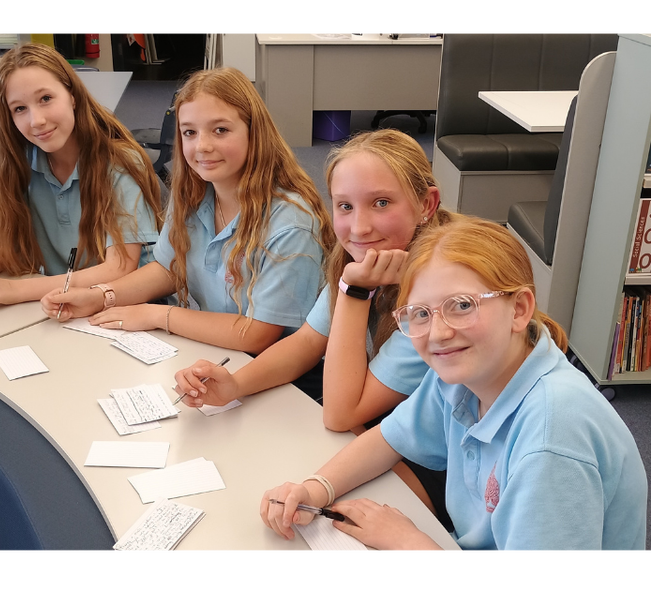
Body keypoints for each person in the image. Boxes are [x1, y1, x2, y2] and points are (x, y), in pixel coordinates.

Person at [261, 217, 648, 552]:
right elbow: (388, 440)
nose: (438, 332)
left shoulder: (552, 438)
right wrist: (315, 489)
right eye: (421, 314)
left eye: (462, 305)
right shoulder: (463, 377)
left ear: (519, 309)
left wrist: (407, 541)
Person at [174, 131, 453, 451]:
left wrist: (355, 292)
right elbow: (307, 342)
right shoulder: (359, 260)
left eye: (381, 203)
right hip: (381, 419)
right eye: (345, 206)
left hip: (435, 456)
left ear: (426, 205)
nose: (360, 227)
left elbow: (341, 415)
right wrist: (235, 385)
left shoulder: (435, 299)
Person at [42, 67, 333, 355]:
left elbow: (257, 335)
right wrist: (101, 296)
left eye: (220, 130)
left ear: (253, 132)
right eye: (190, 133)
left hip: (280, 372)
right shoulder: (194, 194)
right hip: (220, 351)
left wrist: (156, 316)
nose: (202, 146)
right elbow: (169, 269)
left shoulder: (289, 223)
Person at [0, 44, 163, 310]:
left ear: (72, 96)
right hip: (59, 304)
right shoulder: (22, 161)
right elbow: (2, 237)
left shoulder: (119, 163)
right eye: (19, 108)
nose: (36, 120)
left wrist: (17, 289)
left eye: (46, 99)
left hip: (123, 306)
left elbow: (119, 268)